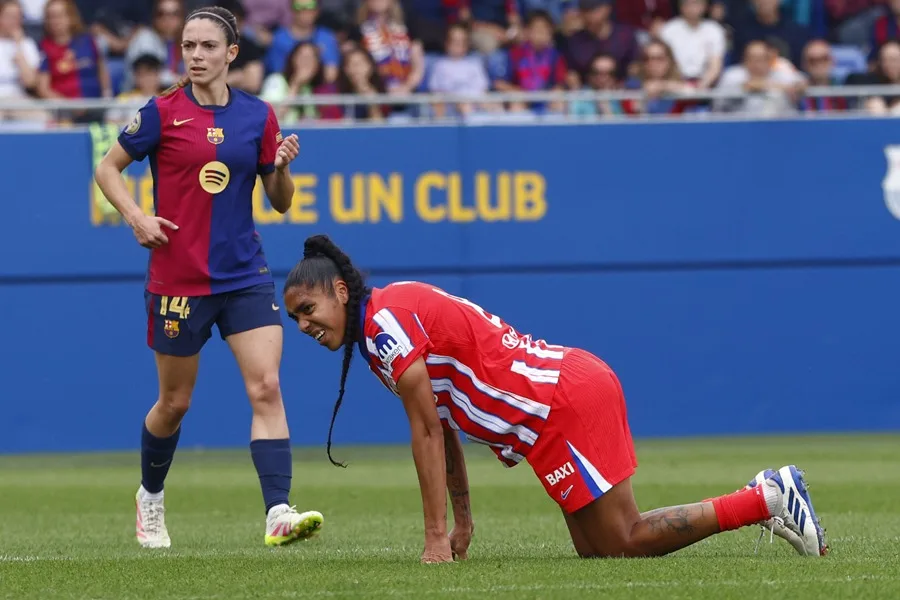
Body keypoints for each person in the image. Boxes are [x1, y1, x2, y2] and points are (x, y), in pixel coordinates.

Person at [281, 234, 829, 564]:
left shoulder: (383, 324)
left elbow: (425, 431)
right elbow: (442, 426)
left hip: (564, 404)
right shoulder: (384, 323)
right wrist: (463, 523)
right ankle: (764, 498)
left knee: (625, 541)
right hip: (555, 409)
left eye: (308, 309)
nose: (304, 325)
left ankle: (768, 498)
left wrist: (434, 539)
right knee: (601, 554)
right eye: (295, 318)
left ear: (341, 292)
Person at [93, 5, 323, 550]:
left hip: (245, 275)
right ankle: (150, 496)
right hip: (178, 280)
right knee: (175, 405)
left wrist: (283, 168)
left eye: (207, 47)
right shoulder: (160, 112)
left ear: (231, 53)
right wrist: (136, 217)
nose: (195, 55)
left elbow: (281, 202)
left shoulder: (258, 116)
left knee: (266, 386)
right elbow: (107, 168)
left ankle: (277, 512)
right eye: (189, 46)